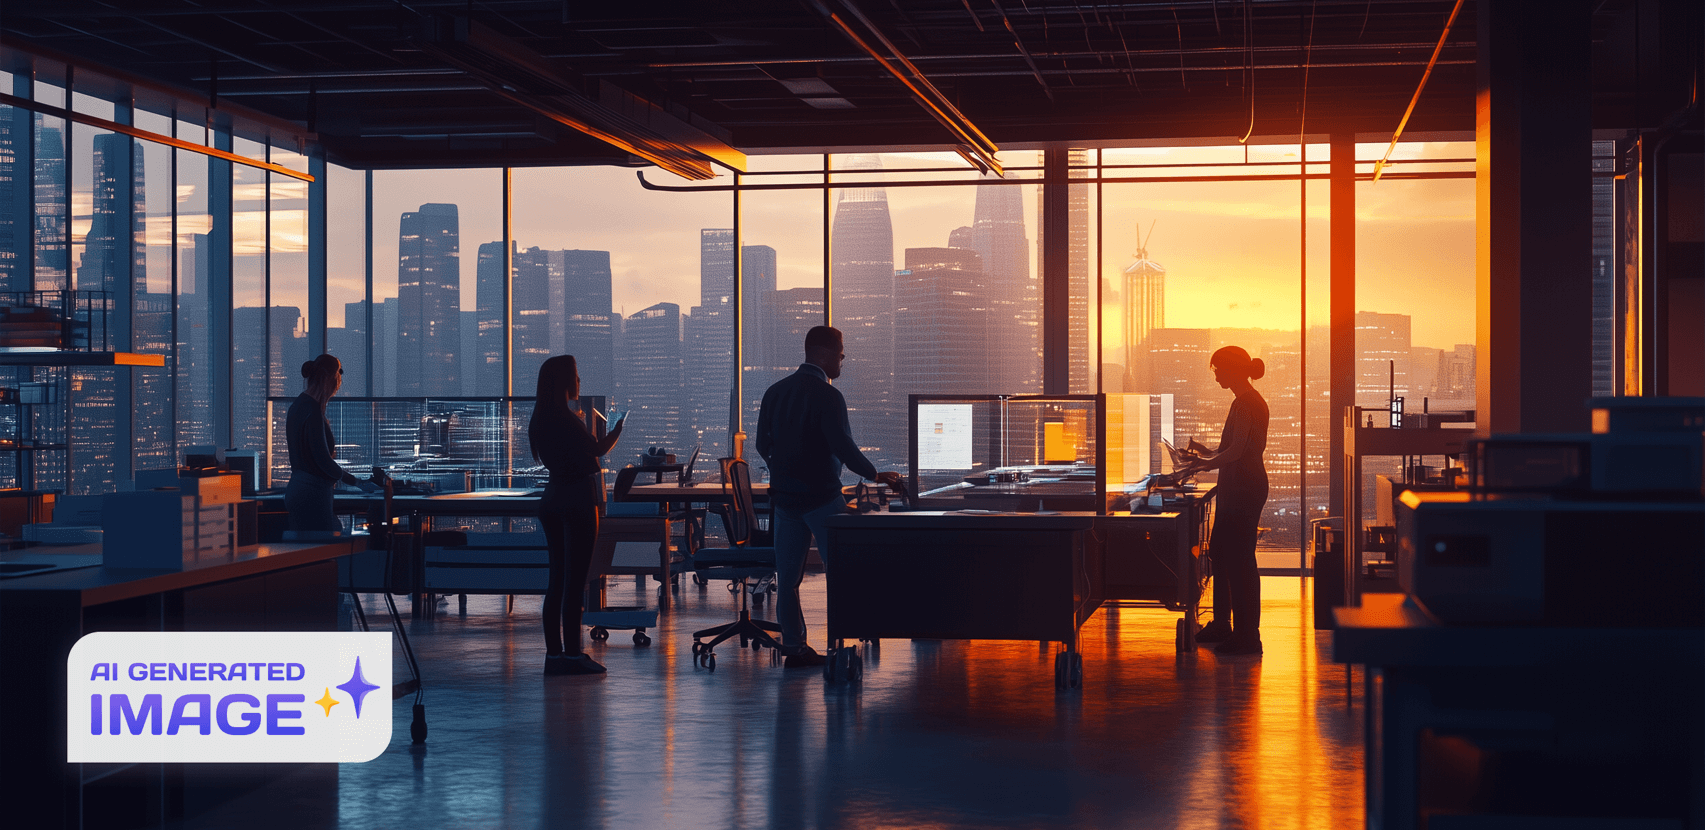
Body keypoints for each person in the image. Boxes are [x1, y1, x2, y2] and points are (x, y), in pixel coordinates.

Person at [756, 326, 901, 668]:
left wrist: (783, 470)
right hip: (821, 500)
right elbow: (843, 446)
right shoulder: (828, 395)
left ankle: (794, 647)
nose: (842, 360)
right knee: (841, 570)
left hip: (786, 502)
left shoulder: (774, 392)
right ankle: (843, 640)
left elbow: (763, 445)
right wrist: (876, 474)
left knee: (787, 579)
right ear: (822, 354)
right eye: (840, 354)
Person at [529, 355, 623, 676]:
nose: (580, 382)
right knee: (576, 582)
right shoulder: (568, 420)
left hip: (552, 497)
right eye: (577, 376)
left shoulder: (541, 417)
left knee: (556, 581)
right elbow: (597, 450)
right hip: (578, 499)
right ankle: (573, 655)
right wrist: (618, 428)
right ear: (565, 382)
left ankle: (554, 656)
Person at [1178, 346, 1270, 656]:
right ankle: (1223, 624)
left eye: (1217, 369)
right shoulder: (1245, 402)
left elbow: (1237, 452)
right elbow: (1233, 449)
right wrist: (1204, 452)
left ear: (1231, 370)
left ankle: (1246, 634)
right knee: (1225, 555)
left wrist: (1204, 464)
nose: (1215, 374)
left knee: (1240, 560)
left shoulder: (1245, 404)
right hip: (1239, 485)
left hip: (1243, 487)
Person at [285, 354, 376, 533]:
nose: (338, 384)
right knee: (326, 544)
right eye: (338, 378)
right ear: (329, 379)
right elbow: (323, 460)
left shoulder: (298, 406)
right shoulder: (312, 410)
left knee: (309, 551)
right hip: (313, 494)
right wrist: (357, 482)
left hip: (298, 490)